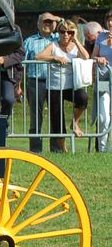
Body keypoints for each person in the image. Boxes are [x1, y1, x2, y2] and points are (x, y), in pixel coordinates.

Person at [36, 19, 90, 152]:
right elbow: (38, 56)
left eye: (70, 32)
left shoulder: (76, 46)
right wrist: (55, 58)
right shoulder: (53, 45)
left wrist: (76, 39)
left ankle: (75, 123)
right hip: (55, 86)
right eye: (62, 31)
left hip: (72, 85)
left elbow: (86, 57)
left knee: (83, 98)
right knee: (57, 118)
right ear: (58, 32)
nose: (66, 35)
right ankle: (64, 150)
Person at [22, 12, 60, 152]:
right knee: (35, 116)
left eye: (50, 22)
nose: (47, 24)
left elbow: (71, 28)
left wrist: (58, 19)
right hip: (35, 81)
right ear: (38, 24)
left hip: (55, 82)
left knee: (55, 114)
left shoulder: (59, 38)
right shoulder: (29, 41)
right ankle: (35, 149)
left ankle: (56, 148)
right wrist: (18, 85)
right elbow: (22, 64)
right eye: (44, 21)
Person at [91, 10, 112, 151]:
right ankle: (102, 148)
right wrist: (97, 58)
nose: (110, 23)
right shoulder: (100, 37)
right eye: (108, 20)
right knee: (104, 116)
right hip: (104, 80)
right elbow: (92, 57)